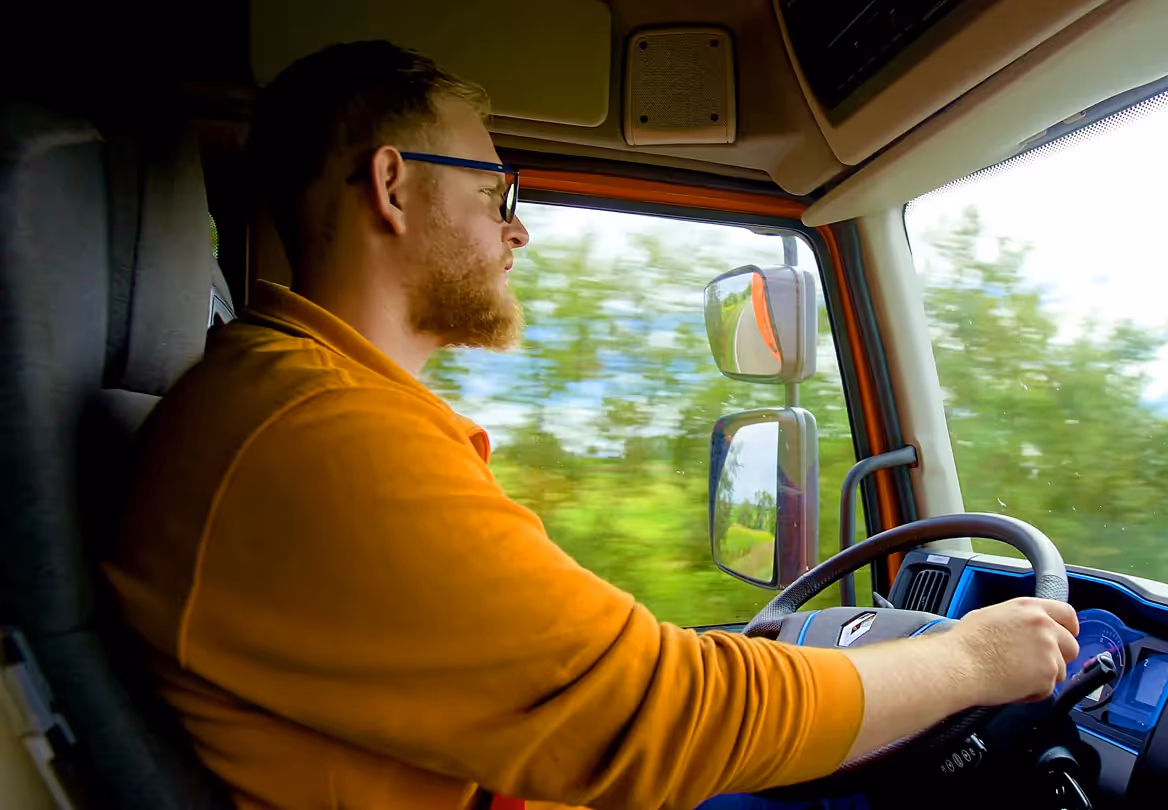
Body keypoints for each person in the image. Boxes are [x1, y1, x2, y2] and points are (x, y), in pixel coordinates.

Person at [105, 40, 1081, 810]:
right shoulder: (319, 432)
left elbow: (598, 685)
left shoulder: (302, 403)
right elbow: (662, 718)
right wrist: (969, 659)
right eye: (494, 192)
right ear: (393, 186)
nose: (517, 229)